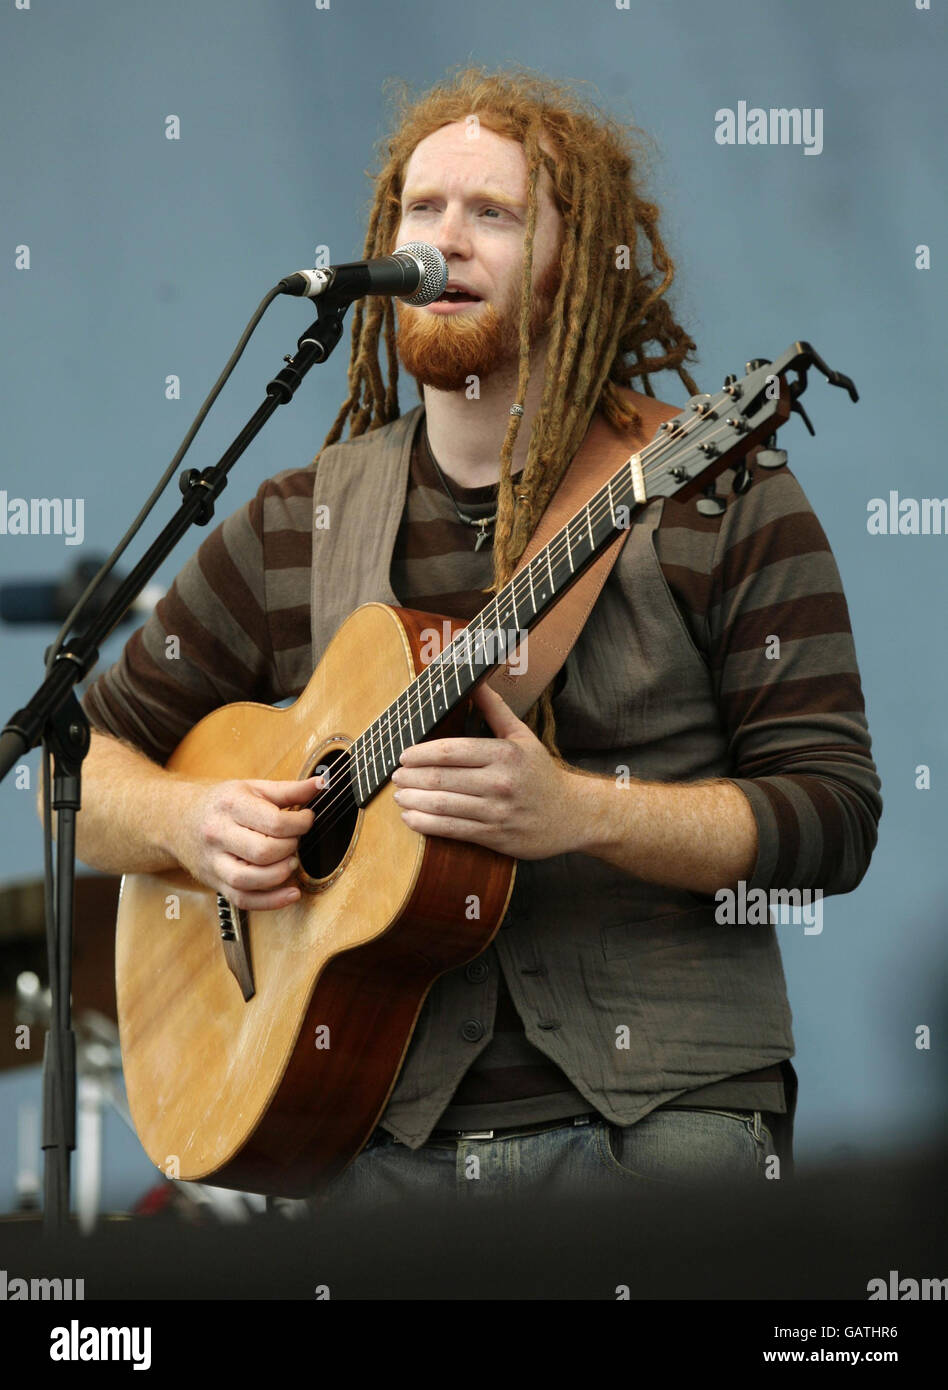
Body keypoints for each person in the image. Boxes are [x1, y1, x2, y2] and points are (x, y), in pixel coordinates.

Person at [50, 67, 882, 1207]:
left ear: (575, 260)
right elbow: (76, 762)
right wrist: (195, 821)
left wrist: (584, 812)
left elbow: (834, 816)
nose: (446, 241)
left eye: (492, 214)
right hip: (374, 1144)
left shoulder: (717, 495)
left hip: (663, 1134)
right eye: (422, 211)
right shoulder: (301, 518)